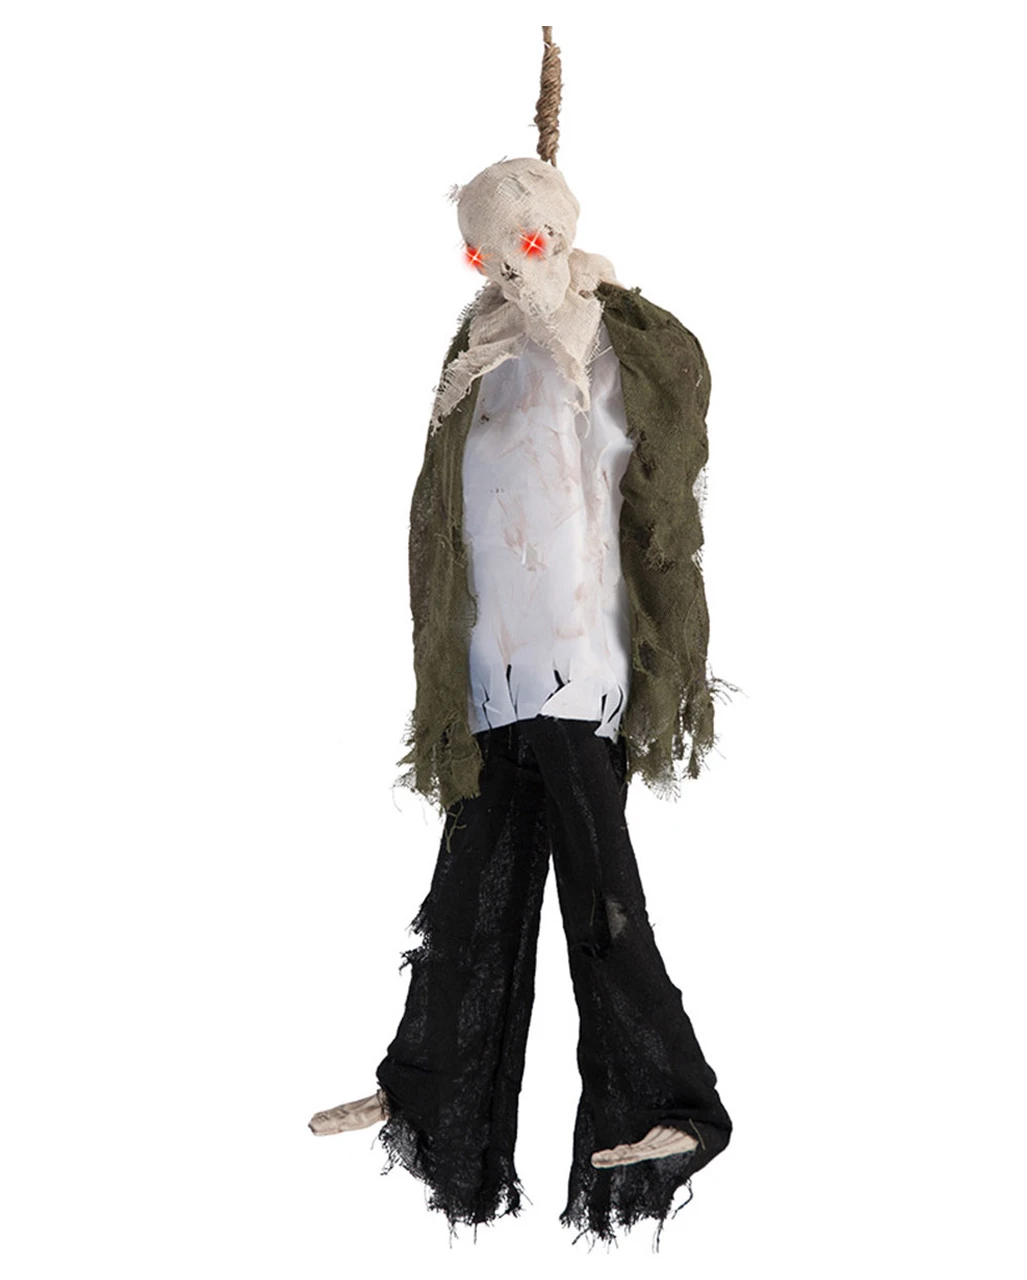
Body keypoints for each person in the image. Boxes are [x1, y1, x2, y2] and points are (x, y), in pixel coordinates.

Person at [309, 157, 733, 1248]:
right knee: (471, 883)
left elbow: (661, 468)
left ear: (559, 231)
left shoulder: (621, 340)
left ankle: (679, 1106)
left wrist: (582, 322)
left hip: (578, 663)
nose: (508, 270)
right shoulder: (478, 352)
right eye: (483, 255)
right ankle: (427, 1088)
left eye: (527, 245)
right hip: (490, 673)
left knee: (600, 891)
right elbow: (445, 516)